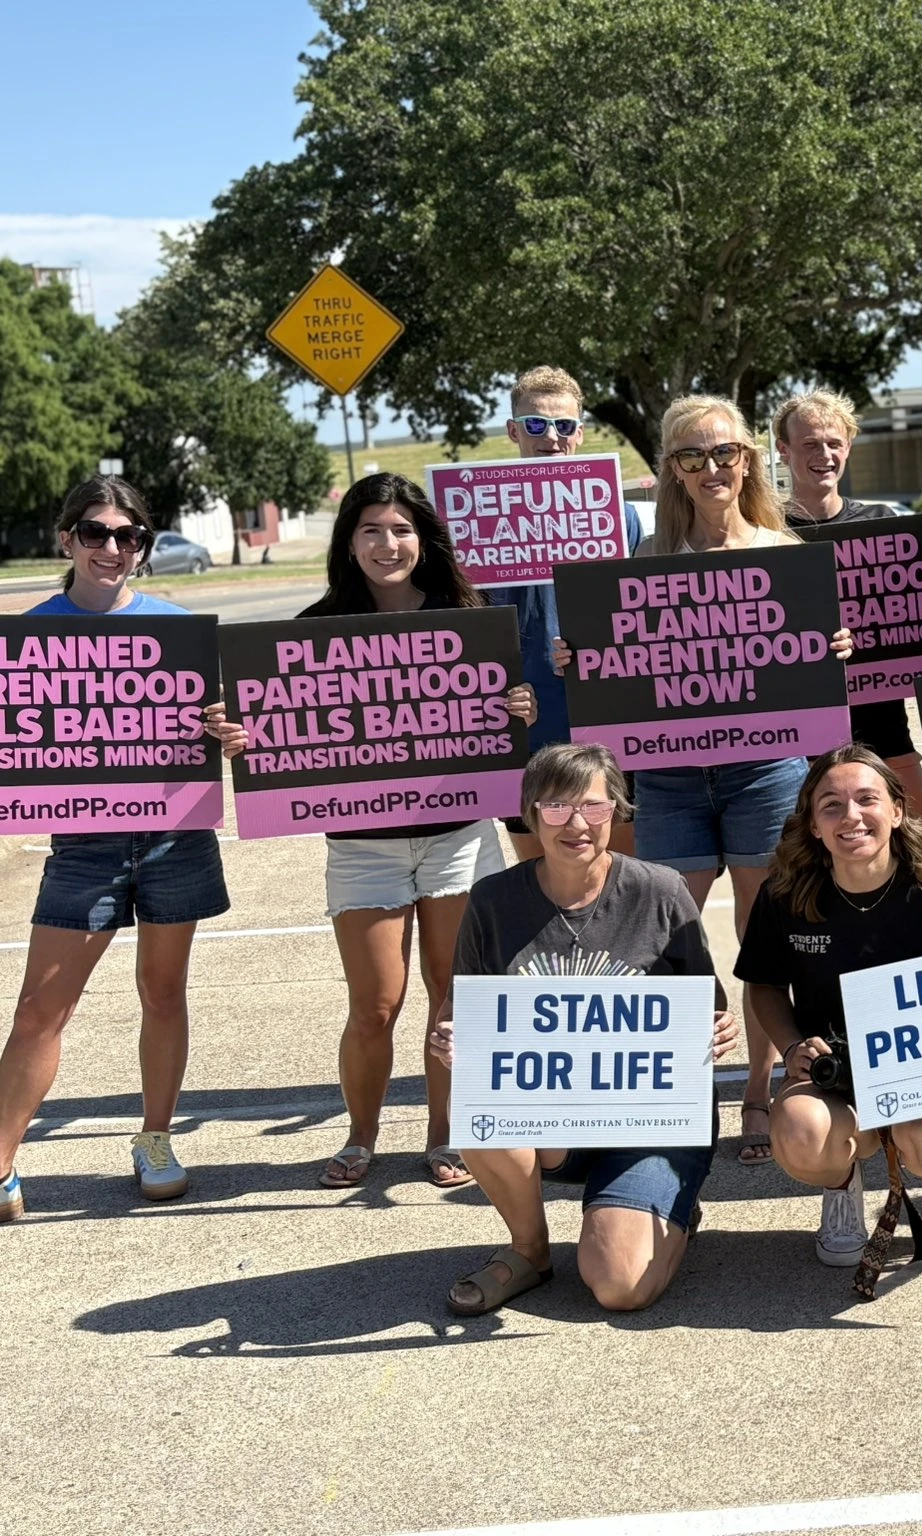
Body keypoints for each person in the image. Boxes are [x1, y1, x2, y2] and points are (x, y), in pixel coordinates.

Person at [578, 393, 854, 1170]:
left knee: (762, 937)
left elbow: (808, 667)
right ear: (671, 470)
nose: (712, 469)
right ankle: (666, 1092)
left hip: (765, 771)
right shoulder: (642, 565)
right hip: (665, 780)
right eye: (693, 457)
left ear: (749, 460)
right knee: (658, 938)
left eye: (725, 453)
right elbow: (613, 664)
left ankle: (760, 1093)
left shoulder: (784, 551)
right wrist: (583, 661)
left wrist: (830, 644)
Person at [0, 476, 242, 1221]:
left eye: (127, 535)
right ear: (65, 538)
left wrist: (230, 736)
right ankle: (1, 1160)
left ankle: (157, 1138)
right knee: (41, 1009)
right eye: (95, 532)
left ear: (143, 545)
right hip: (83, 844)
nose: (112, 547)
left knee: (163, 993)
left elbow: (223, 730)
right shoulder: (29, 636)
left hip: (177, 832)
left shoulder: (177, 627)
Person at [426, 743, 742, 1313]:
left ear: (617, 810)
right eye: (556, 808)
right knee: (480, 1110)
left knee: (620, 1286)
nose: (577, 824)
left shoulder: (660, 890)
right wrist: (453, 1039)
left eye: (594, 808)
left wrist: (718, 1028)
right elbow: (461, 1009)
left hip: (650, 1121)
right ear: (529, 814)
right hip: (551, 1127)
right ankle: (529, 1250)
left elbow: (707, 1005)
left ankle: (669, 1210)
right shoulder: (494, 900)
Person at [289, 473, 537, 1190]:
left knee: (453, 995)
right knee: (374, 1006)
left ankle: (446, 1134)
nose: (386, 543)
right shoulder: (312, 628)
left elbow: (506, 721)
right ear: (349, 542)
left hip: (457, 836)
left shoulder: (470, 617)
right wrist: (251, 739)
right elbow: (289, 735)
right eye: (370, 529)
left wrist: (516, 706)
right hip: (362, 846)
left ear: (422, 538)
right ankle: (361, 1134)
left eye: (400, 529)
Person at [739, 746, 922, 1264]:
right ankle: (842, 1185)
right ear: (812, 825)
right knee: (801, 1132)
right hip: (837, 1070)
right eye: (831, 805)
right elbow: (763, 984)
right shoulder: (785, 895)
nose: (851, 816)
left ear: (897, 811)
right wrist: (792, 1047)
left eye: (866, 799)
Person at [492, 365, 644, 861]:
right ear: (513, 431)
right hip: (522, 728)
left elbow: (645, 614)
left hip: (607, 726)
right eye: (535, 425)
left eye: (562, 426)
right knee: (536, 881)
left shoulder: (619, 516)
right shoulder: (478, 515)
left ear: (580, 433)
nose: (550, 438)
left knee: (614, 875)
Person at [773, 389, 922, 830]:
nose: (823, 454)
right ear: (783, 450)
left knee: (920, 856)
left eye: (833, 443)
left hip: (885, 734)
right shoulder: (762, 535)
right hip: (793, 748)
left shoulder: (885, 524)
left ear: (848, 447)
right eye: (809, 444)